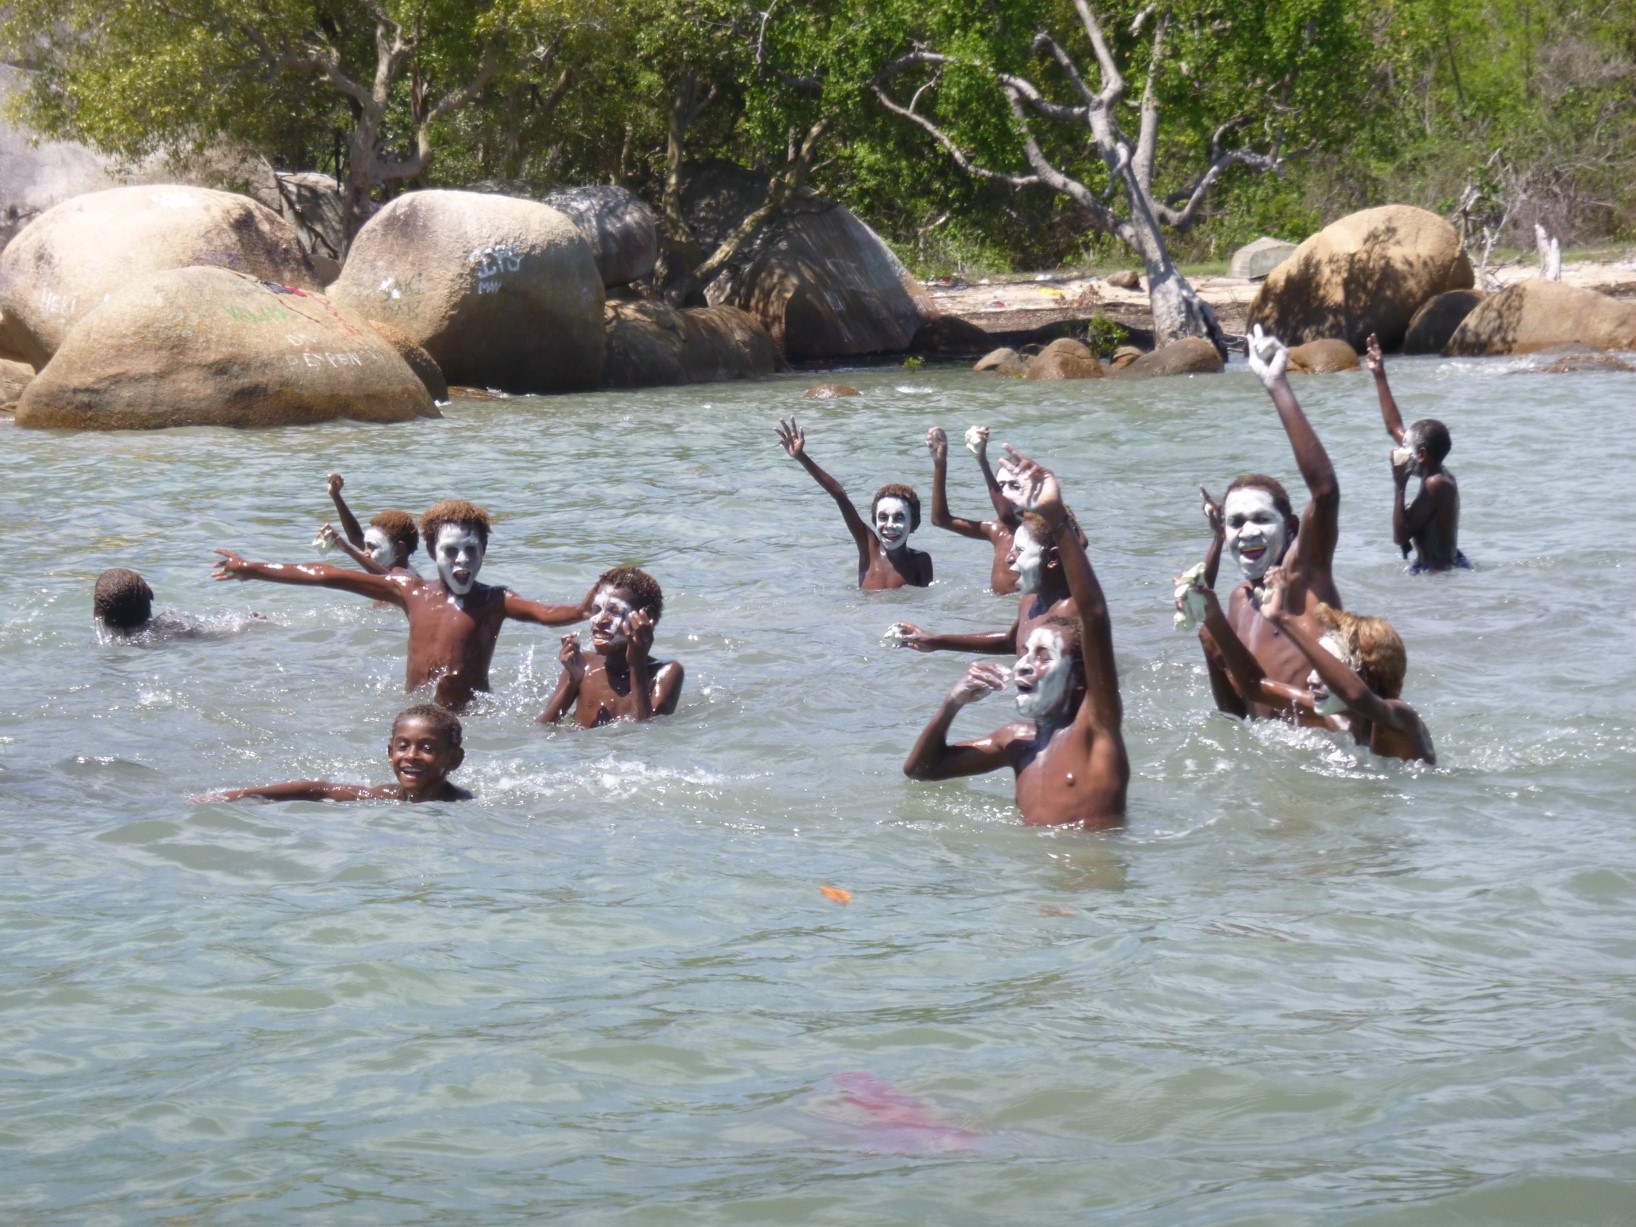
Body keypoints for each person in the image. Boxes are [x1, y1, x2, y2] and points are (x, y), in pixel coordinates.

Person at [903, 446, 1128, 829]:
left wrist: (1055, 515)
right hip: (1032, 888)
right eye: (1028, 655)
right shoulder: (1016, 742)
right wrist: (952, 703)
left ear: (1078, 682)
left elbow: (1095, 617)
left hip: (1092, 884)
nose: (1024, 661)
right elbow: (922, 770)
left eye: (1043, 656)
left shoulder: (1097, 729)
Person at [213, 499, 589, 710]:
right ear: (430, 551)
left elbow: (545, 612)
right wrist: (252, 568)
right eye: (450, 551)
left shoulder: (494, 600)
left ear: (484, 551)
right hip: (416, 711)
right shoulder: (410, 591)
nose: (462, 562)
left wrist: (584, 609)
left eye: (471, 550)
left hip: (472, 715)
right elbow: (325, 574)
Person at [1194, 325, 1343, 720]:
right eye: (1236, 523)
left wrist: (1277, 384)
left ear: (1291, 526)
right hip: (1273, 761)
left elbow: (1325, 492)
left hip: (1327, 758)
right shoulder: (1237, 600)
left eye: (1262, 519)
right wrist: (1209, 639)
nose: (1247, 532)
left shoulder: (1303, 578)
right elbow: (1239, 711)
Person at [1184, 565, 1435, 764]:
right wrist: (1213, 618)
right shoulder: (1335, 717)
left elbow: (1357, 696)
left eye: (1326, 669)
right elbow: (1254, 687)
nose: (1313, 679)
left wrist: (1282, 619)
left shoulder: (1400, 718)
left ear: (1366, 674)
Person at [885, 508, 1080, 657]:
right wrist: (935, 641)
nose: (1009, 558)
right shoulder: (1029, 603)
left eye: (1020, 550)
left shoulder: (1075, 613)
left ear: (1053, 558)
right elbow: (1009, 644)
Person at [775, 415, 932, 589]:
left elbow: (925, 607)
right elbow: (840, 496)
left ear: (915, 524)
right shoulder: (868, 548)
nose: (890, 525)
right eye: (883, 517)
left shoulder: (921, 561)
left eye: (899, 518)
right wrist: (801, 457)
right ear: (874, 521)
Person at [194, 705, 473, 802]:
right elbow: (319, 790)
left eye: (426, 748)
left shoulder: (460, 805)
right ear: (390, 753)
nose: (411, 755)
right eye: (403, 746)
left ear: (454, 759)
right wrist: (237, 795)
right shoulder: (384, 796)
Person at [1364, 334, 1466, 573]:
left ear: (1421, 455)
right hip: (1431, 563)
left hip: (1439, 570)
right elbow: (1394, 426)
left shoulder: (1437, 483)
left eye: (1405, 446)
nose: (1400, 448)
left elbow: (1400, 537)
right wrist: (1379, 373)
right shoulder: (1430, 465)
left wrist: (1399, 485)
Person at [539, 566, 684, 726]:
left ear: (647, 619)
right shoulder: (582, 663)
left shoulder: (666, 672)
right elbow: (543, 727)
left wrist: (637, 664)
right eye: (596, 610)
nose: (600, 620)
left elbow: (644, 732)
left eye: (614, 611)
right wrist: (573, 680)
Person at [925, 424, 1022, 594]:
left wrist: (982, 460)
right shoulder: (997, 531)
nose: (1006, 493)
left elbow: (1006, 515)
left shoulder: (1041, 528)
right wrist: (940, 463)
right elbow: (940, 519)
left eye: (1014, 486)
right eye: (1001, 487)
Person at [318, 472, 421, 575]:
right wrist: (336, 496)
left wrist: (348, 549)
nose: (364, 553)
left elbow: (391, 581)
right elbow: (355, 537)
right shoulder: (385, 557)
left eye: (371, 546)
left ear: (399, 550)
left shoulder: (407, 577)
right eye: (366, 546)